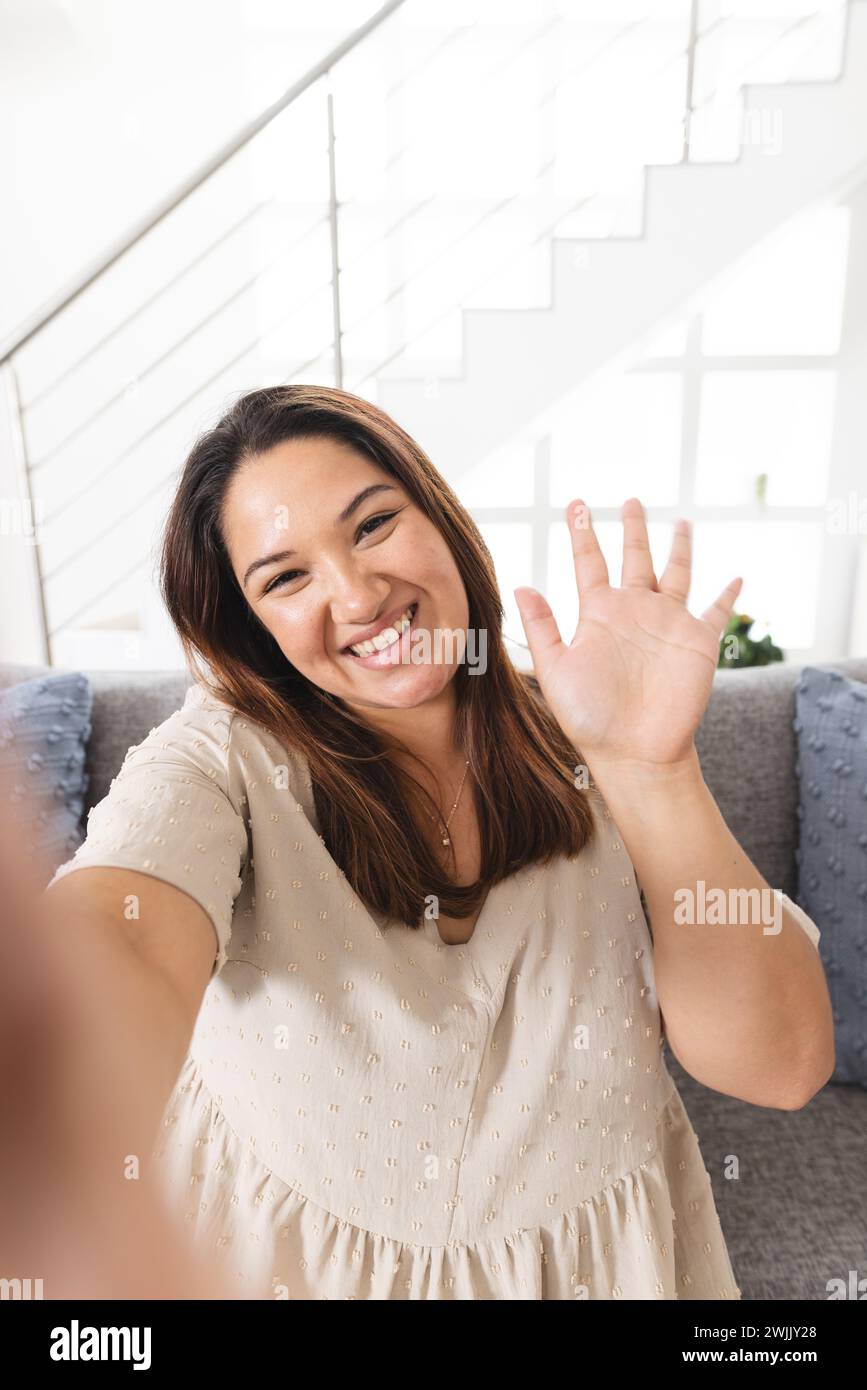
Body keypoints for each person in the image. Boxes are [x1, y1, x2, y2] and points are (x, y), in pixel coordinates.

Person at [41, 384, 832, 1300]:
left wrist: (653, 771)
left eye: (373, 526)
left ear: (441, 517)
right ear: (249, 628)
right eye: (285, 578)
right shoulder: (220, 758)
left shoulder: (599, 737)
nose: (357, 593)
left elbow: (779, 1068)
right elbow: (126, 934)